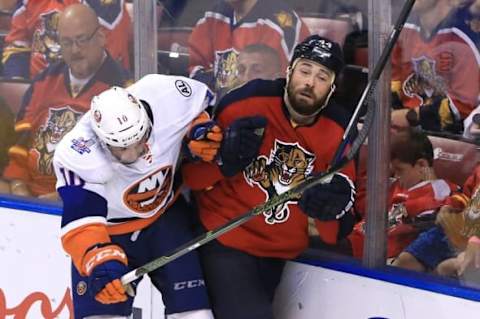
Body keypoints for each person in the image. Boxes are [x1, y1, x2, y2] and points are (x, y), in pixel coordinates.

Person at [183, 35, 356, 319]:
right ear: (288, 72)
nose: (310, 82)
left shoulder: (340, 133)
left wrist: (327, 208)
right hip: (224, 238)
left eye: (322, 77)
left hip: (279, 253)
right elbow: (192, 178)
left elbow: (333, 233)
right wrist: (224, 160)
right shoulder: (246, 103)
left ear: (332, 88)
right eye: (305, 71)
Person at [53, 74, 217, 319]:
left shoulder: (167, 95)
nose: (134, 153)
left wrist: (198, 132)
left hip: (166, 221)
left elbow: (201, 109)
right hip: (111, 234)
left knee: (197, 315)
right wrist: (97, 256)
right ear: (102, 140)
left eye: (139, 141)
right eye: (122, 148)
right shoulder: (79, 151)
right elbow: (82, 215)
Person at [2, 3, 130, 200]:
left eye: (82, 40)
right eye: (67, 42)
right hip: (30, 196)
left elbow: (120, 170)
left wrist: (62, 198)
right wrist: (19, 187)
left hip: (85, 203)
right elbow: (21, 147)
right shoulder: (42, 82)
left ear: (101, 37)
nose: (75, 50)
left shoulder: (124, 90)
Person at [348, 129, 458, 264]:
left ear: (422, 165)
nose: (396, 176)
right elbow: (363, 207)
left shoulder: (440, 192)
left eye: (399, 170)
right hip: (360, 250)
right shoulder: (396, 186)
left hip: (389, 264)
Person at [390, 0, 480, 134]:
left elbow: (462, 106)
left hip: (450, 139)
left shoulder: (463, 36)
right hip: (406, 133)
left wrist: (408, 117)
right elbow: (392, 83)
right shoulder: (404, 29)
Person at [188, 0, 310, 95]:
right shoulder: (214, 14)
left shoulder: (281, 25)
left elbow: (287, 89)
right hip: (219, 114)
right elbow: (196, 68)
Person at [2, 0, 131, 79]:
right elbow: (17, 47)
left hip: (91, 97)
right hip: (39, 95)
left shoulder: (103, 4)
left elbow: (111, 60)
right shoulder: (28, 2)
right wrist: (19, 84)